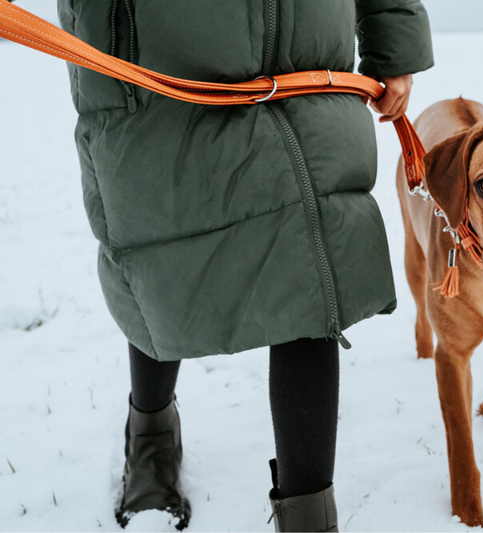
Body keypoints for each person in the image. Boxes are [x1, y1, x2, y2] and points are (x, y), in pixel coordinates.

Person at [56, 1, 433, 531]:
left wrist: (395, 38)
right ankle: (151, 440)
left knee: (308, 284)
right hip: (154, 69)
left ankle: (308, 521)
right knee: (162, 265)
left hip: (308, 67)